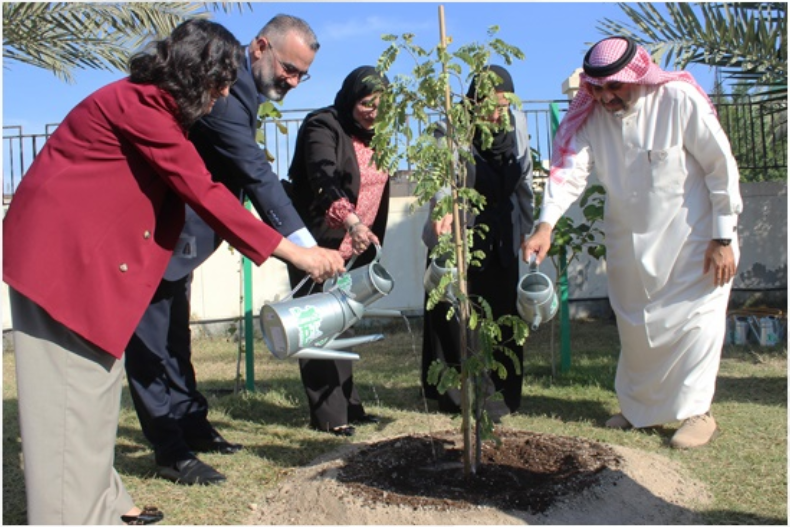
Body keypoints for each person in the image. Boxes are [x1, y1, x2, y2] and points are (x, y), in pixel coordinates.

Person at [3, 19, 341, 525]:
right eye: (219, 83)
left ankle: (106, 502)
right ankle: (69, 516)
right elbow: (203, 190)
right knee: (68, 403)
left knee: (95, 392)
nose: (223, 95)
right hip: (60, 266)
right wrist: (297, 253)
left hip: (90, 265)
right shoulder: (141, 107)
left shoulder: (155, 108)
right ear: (192, 71)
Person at [123, 14, 334, 487]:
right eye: (289, 69)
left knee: (175, 338)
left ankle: (191, 424)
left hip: (180, 242)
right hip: (151, 238)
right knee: (150, 345)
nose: (293, 81)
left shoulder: (239, 89)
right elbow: (254, 174)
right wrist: (304, 247)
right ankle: (169, 450)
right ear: (260, 47)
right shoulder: (221, 89)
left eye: (302, 75)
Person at [525, 36, 742, 449]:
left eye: (615, 86)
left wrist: (722, 236)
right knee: (637, 331)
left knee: (697, 325)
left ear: (638, 76)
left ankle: (698, 412)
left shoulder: (677, 100)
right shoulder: (592, 117)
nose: (606, 97)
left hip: (695, 242)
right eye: (598, 88)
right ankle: (639, 410)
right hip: (630, 244)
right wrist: (545, 225)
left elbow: (720, 166)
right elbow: (569, 171)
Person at [420, 65, 534, 420]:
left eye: (503, 106)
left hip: (502, 233)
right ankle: (458, 395)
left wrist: (528, 228)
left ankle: (501, 393)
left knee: (501, 312)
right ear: (472, 100)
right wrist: (444, 208)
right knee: (457, 313)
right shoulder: (453, 126)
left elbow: (525, 178)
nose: (497, 114)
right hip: (459, 231)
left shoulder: (517, 124)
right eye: (489, 106)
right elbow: (441, 174)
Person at [284, 65, 391, 436]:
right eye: (366, 103)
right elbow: (323, 176)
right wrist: (352, 222)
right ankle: (329, 417)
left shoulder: (379, 137)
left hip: (355, 249)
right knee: (317, 325)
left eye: (381, 105)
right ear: (350, 98)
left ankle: (349, 405)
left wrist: (365, 234)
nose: (374, 112)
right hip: (317, 243)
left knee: (343, 323)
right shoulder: (323, 125)